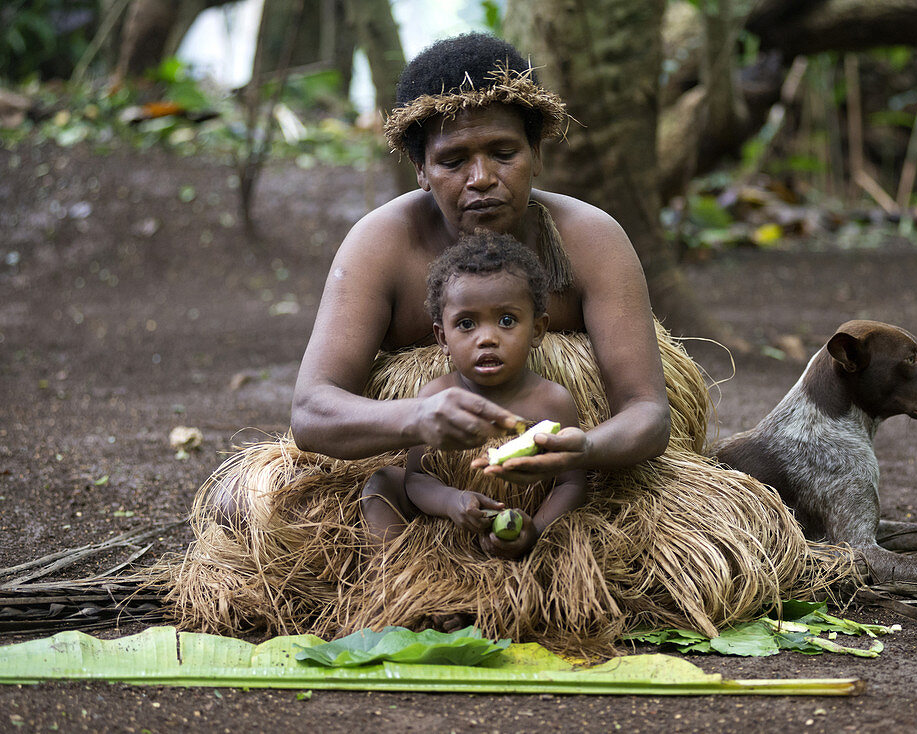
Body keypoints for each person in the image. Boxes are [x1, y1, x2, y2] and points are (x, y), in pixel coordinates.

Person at [166, 32, 853, 653]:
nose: (482, 178)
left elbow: (647, 412)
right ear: (420, 171)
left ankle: (547, 583)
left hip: (574, 493)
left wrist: (582, 447)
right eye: (453, 159)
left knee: (734, 544)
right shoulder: (381, 245)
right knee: (255, 514)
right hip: (416, 489)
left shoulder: (591, 239)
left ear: (536, 153)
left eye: (503, 151)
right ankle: (398, 591)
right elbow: (311, 413)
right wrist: (418, 416)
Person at [402, 231, 586, 565]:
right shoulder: (434, 397)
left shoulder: (552, 403)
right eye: (467, 324)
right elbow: (416, 478)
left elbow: (570, 483)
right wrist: (451, 502)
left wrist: (536, 529)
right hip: (450, 542)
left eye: (506, 321)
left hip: (532, 547)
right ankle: (388, 581)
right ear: (442, 337)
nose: (487, 338)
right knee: (379, 486)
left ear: (537, 330)